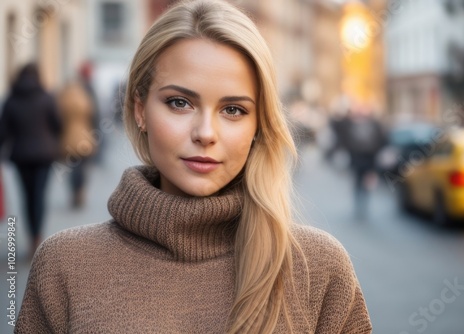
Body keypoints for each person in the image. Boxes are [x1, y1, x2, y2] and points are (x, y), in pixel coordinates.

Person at [15, 1, 372, 333]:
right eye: (180, 102)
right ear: (140, 109)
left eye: (233, 110)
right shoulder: (65, 266)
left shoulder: (320, 270)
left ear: (258, 124)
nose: (205, 134)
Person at [0, 63, 62, 256]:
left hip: (21, 157)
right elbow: (58, 125)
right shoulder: (47, 97)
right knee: (39, 196)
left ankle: (31, 237)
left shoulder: (11, 100)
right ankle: (37, 236)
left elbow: (3, 132)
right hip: (44, 155)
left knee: (27, 197)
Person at [58, 75, 98, 208]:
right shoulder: (84, 98)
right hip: (84, 137)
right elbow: (94, 116)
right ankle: (80, 192)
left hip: (68, 139)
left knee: (72, 167)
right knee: (82, 167)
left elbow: (57, 120)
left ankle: (74, 192)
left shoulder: (63, 99)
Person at [342, 105, 386, 220]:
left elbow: (381, 141)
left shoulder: (373, 126)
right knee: (359, 183)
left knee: (365, 184)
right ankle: (360, 205)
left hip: (367, 159)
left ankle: (362, 205)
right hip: (359, 159)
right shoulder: (354, 126)